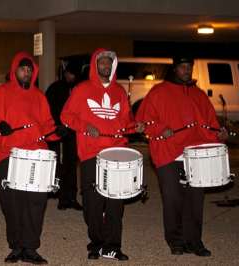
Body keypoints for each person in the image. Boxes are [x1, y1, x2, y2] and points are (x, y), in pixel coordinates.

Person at [0, 52, 66, 264]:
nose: (26, 72)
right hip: (9, 154)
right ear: (14, 70)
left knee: (36, 202)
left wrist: (56, 133)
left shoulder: (39, 96)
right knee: (12, 203)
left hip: (37, 154)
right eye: (23, 68)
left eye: (29, 69)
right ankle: (16, 246)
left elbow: (46, 127)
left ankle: (31, 247)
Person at [136, 56, 228, 256]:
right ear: (174, 69)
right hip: (168, 153)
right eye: (183, 67)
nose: (187, 71)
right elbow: (144, 120)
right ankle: (175, 240)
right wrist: (161, 129)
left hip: (195, 155)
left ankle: (194, 241)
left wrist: (219, 134)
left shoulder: (199, 95)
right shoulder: (158, 92)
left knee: (195, 200)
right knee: (172, 199)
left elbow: (209, 124)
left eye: (189, 67)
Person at [61, 48, 141, 261]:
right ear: (95, 66)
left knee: (116, 202)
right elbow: (66, 116)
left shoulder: (120, 92)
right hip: (90, 154)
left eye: (109, 63)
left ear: (113, 66)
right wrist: (86, 126)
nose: (105, 66)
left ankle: (113, 245)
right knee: (92, 203)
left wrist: (136, 127)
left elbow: (126, 123)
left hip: (116, 153)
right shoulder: (81, 89)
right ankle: (96, 242)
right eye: (102, 62)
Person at [46, 62, 82, 210]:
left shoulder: (80, 89)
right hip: (58, 133)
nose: (69, 76)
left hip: (73, 133)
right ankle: (61, 197)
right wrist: (56, 126)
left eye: (71, 73)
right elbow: (48, 109)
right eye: (67, 73)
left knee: (72, 165)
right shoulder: (55, 88)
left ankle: (72, 197)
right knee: (59, 165)